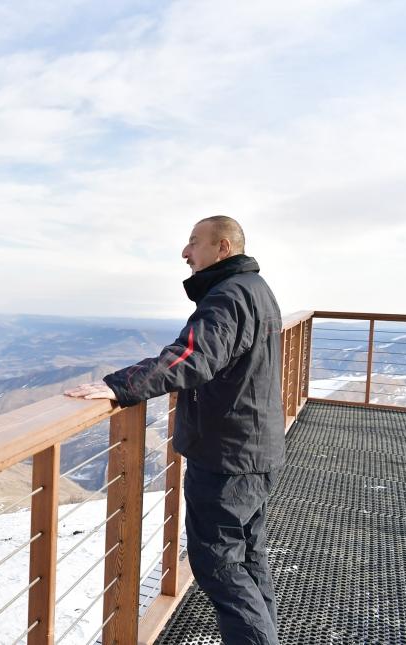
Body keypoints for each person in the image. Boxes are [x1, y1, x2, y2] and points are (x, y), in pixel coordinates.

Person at [65, 216, 284, 645]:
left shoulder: (228, 296)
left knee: (218, 563)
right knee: (247, 556)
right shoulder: (258, 290)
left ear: (223, 248)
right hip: (254, 449)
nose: (185, 253)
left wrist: (119, 385)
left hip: (227, 456)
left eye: (193, 243)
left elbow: (191, 356)